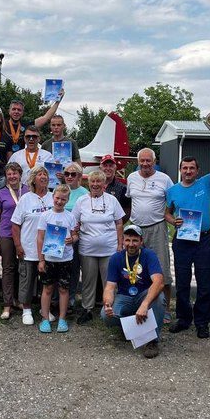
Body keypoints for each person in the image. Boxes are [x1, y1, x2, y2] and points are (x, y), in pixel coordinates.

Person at [165, 146, 210, 337]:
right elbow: (167, 213)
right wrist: (173, 221)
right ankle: (184, 319)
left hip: (203, 240)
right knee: (183, 283)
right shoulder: (173, 191)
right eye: (184, 168)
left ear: (197, 170)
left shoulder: (205, 183)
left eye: (191, 168)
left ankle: (202, 322)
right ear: (180, 170)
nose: (188, 171)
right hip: (182, 241)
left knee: (205, 283)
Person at [101, 224, 165, 359]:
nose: (131, 244)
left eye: (135, 240)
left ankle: (152, 341)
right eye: (128, 240)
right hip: (124, 296)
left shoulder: (149, 255)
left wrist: (145, 304)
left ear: (141, 241)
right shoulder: (116, 258)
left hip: (143, 295)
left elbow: (159, 282)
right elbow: (110, 287)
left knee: (159, 298)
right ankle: (130, 330)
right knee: (105, 315)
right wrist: (107, 304)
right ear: (123, 240)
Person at [126, 148, 174, 322]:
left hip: (157, 227)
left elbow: (172, 202)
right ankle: (137, 304)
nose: (145, 164)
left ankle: (166, 309)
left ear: (154, 162)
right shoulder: (132, 178)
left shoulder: (164, 179)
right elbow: (131, 200)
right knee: (135, 269)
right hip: (136, 228)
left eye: (149, 161)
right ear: (138, 161)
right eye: (142, 161)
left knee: (162, 268)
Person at [72, 170, 125, 325]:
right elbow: (74, 223)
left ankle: (111, 308)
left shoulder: (112, 200)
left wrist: (120, 244)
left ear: (104, 184)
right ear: (88, 184)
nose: (95, 185)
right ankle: (87, 308)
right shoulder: (81, 201)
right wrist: (74, 235)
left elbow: (119, 223)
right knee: (88, 279)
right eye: (92, 182)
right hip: (87, 248)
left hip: (109, 248)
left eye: (98, 182)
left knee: (110, 280)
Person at [11, 165, 54, 325]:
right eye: (40, 174)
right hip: (28, 248)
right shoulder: (25, 198)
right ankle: (26, 309)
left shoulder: (53, 197)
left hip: (49, 249)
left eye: (46, 174)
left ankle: (45, 309)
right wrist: (18, 246)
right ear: (33, 179)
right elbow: (15, 225)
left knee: (47, 281)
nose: (43, 177)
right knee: (26, 280)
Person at [36, 184, 78, 333]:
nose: (59, 201)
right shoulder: (45, 215)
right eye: (57, 198)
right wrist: (41, 259)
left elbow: (75, 235)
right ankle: (45, 319)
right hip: (49, 259)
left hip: (65, 259)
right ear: (53, 197)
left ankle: (62, 319)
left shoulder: (70, 216)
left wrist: (72, 239)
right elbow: (40, 238)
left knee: (63, 289)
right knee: (47, 289)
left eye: (63, 199)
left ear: (67, 201)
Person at [0, 162, 28, 319]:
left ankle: (20, 300)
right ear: (6, 176)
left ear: (20, 174)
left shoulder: (28, 190)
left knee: (23, 268)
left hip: (25, 234)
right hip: (6, 234)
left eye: (15, 173)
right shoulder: (0, 193)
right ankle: (7, 304)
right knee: (8, 268)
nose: (12, 176)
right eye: (9, 174)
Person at [61, 162, 87, 308]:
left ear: (79, 176)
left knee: (74, 268)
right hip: (59, 237)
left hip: (76, 237)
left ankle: (70, 297)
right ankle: (56, 298)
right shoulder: (60, 190)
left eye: (73, 174)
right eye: (67, 174)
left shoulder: (84, 193)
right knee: (59, 268)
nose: (69, 177)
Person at [100, 154, 130, 221]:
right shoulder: (95, 186)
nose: (108, 168)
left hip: (113, 228)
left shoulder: (122, 188)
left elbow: (127, 211)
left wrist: (117, 225)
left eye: (111, 166)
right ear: (100, 167)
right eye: (105, 166)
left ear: (115, 167)